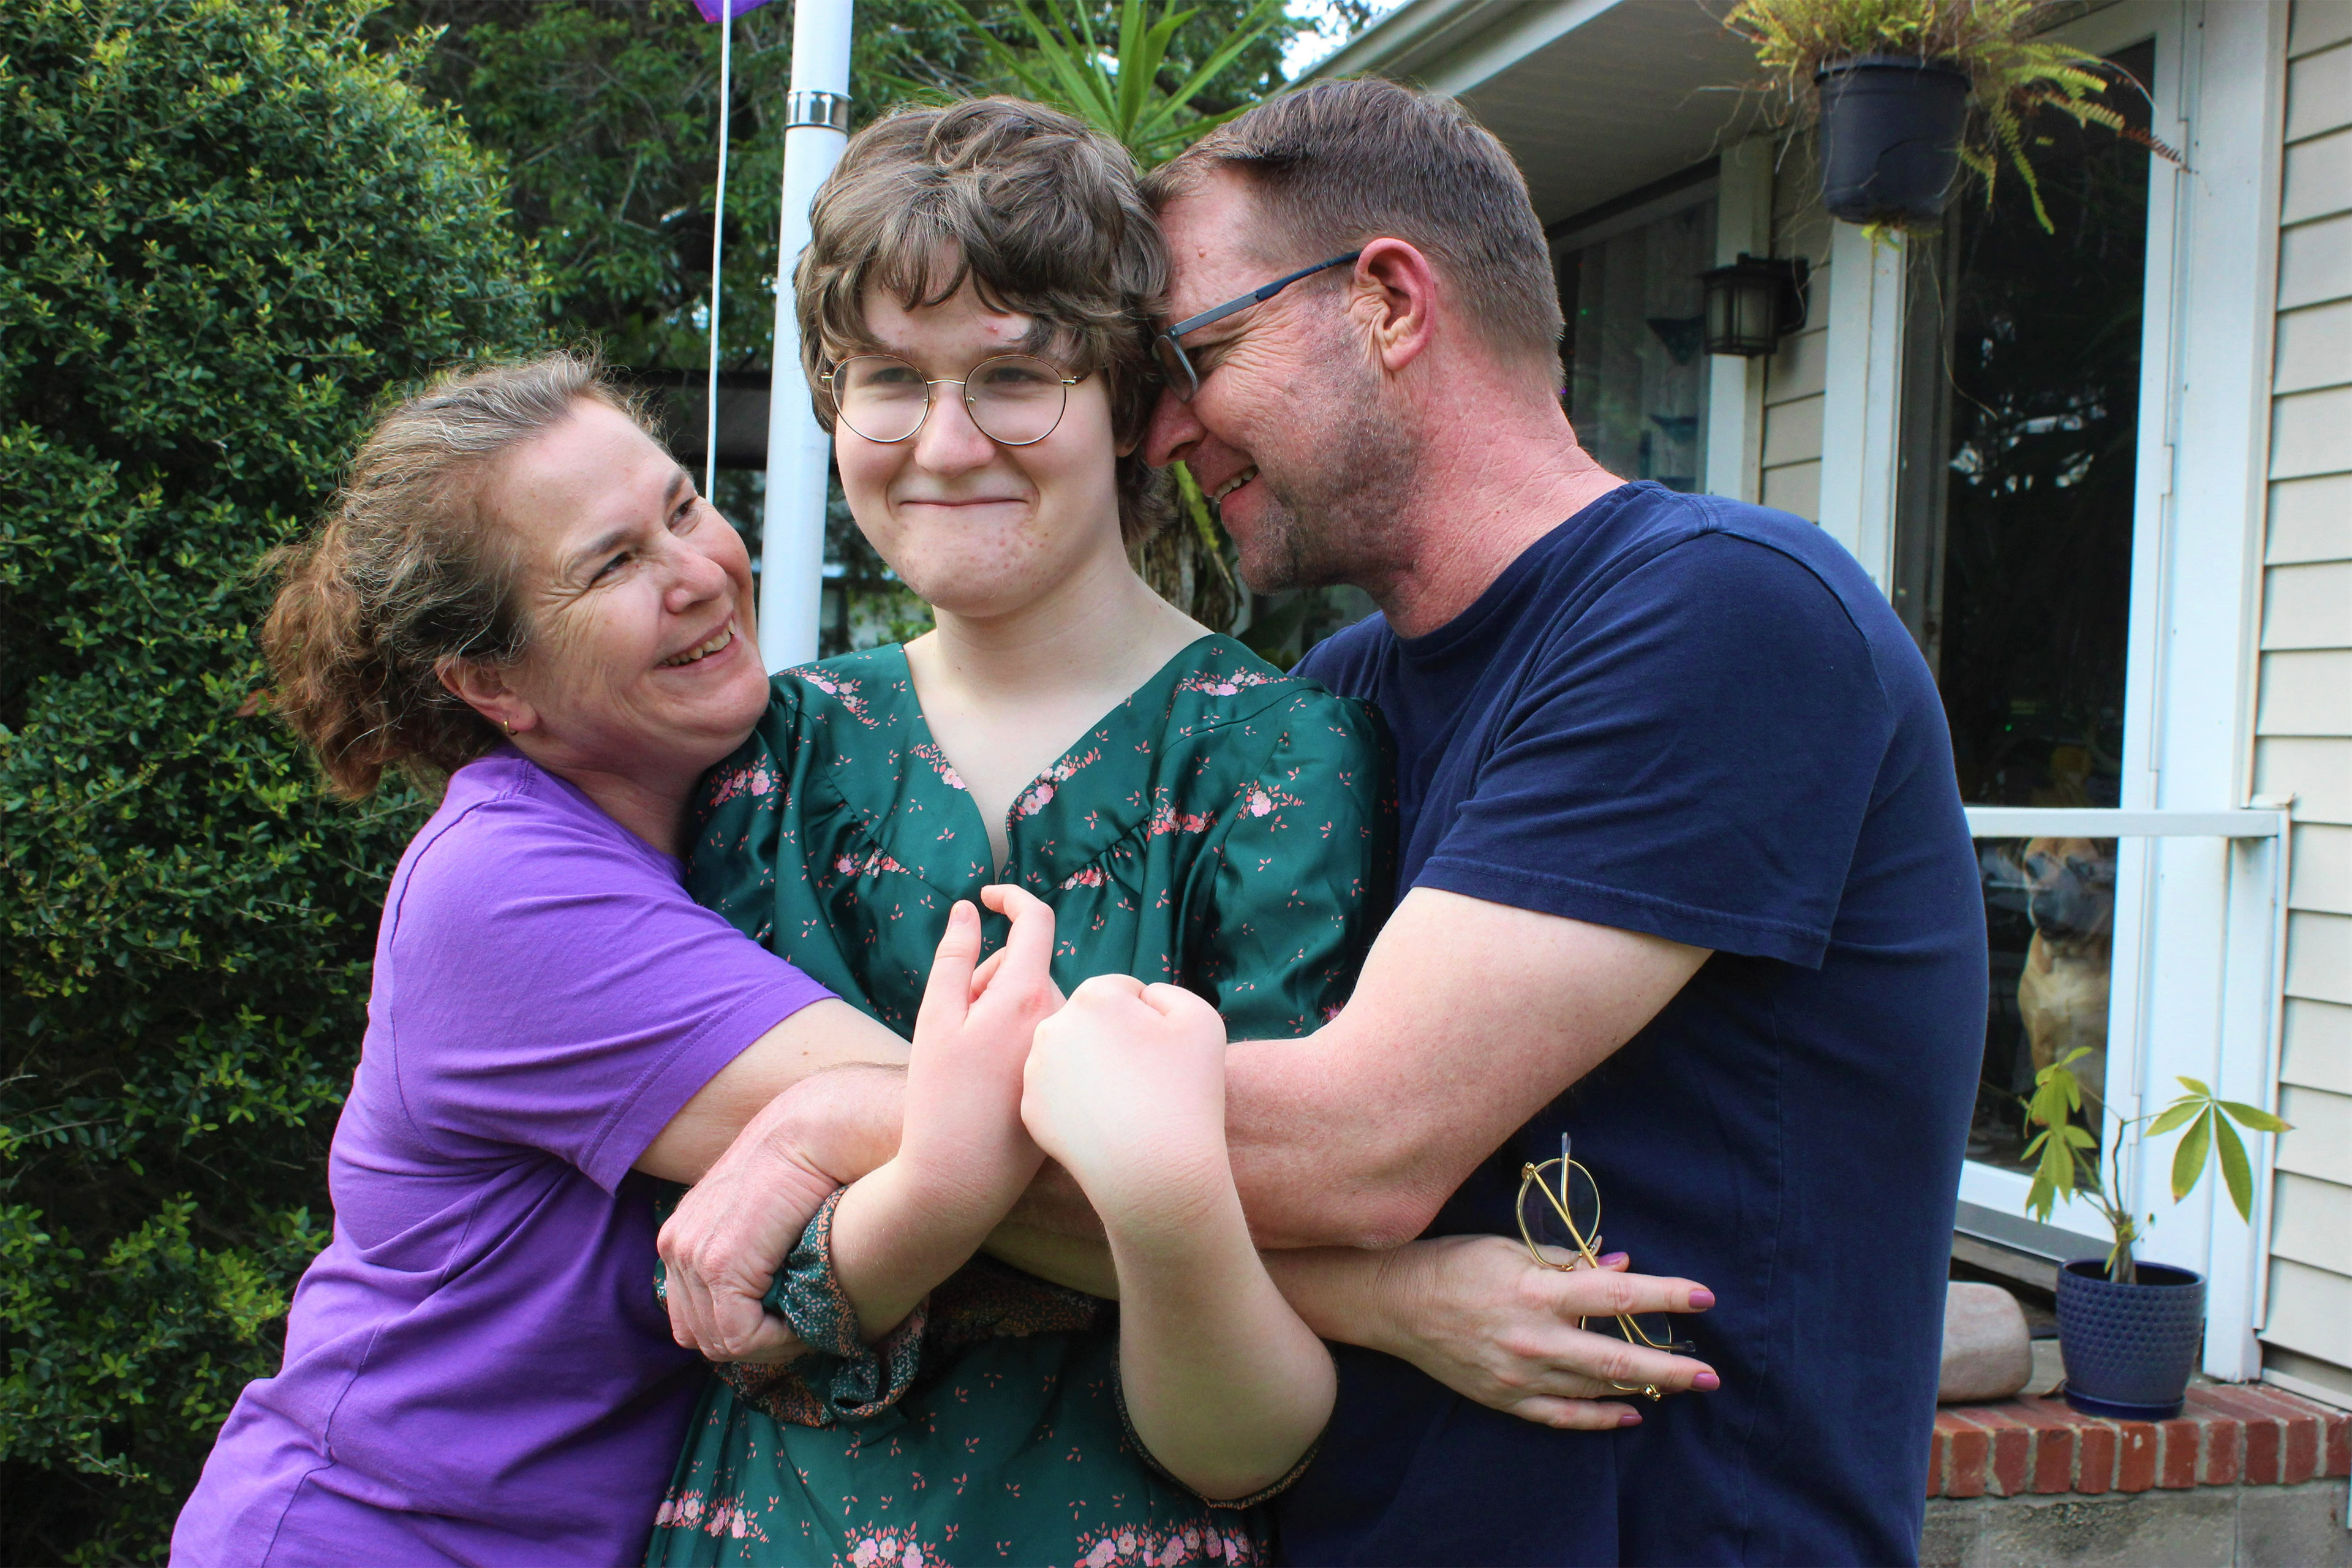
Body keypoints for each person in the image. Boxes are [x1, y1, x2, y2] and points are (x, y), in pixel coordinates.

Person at [663, 79, 1985, 1567]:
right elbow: (1204, 1201)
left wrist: (835, 1114)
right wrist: (1386, 1301)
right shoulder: (1350, 692)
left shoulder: (1722, 613)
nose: (1161, 427)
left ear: (1389, 306)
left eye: (1200, 354)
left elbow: (1356, 1146)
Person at [642, 97, 1537, 1568]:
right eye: (886, 377)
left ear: (1129, 403)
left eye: (1015, 374)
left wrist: (1003, 1176)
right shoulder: (758, 755)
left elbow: (1252, 1423)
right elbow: (721, 1284)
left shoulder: (1281, 757)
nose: (945, 441)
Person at [170, 353, 919, 1566]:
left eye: (682, 508)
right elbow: (945, 1123)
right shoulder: (506, 889)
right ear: (492, 683)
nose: (696, 576)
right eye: (612, 563)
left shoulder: (735, 825)